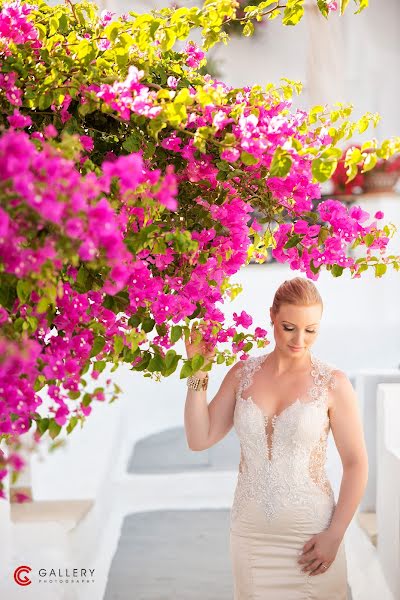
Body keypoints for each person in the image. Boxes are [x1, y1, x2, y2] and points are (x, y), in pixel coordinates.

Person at [184, 276, 369, 600]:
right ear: (272, 316)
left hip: (312, 538)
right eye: (289, 327)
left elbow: (356, 464)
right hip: (251, 537)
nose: (300, 339)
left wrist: (335, 534)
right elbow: (199, 439)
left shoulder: (332, 383)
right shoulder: (242, 375)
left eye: (311, 330)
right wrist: (197, 373)